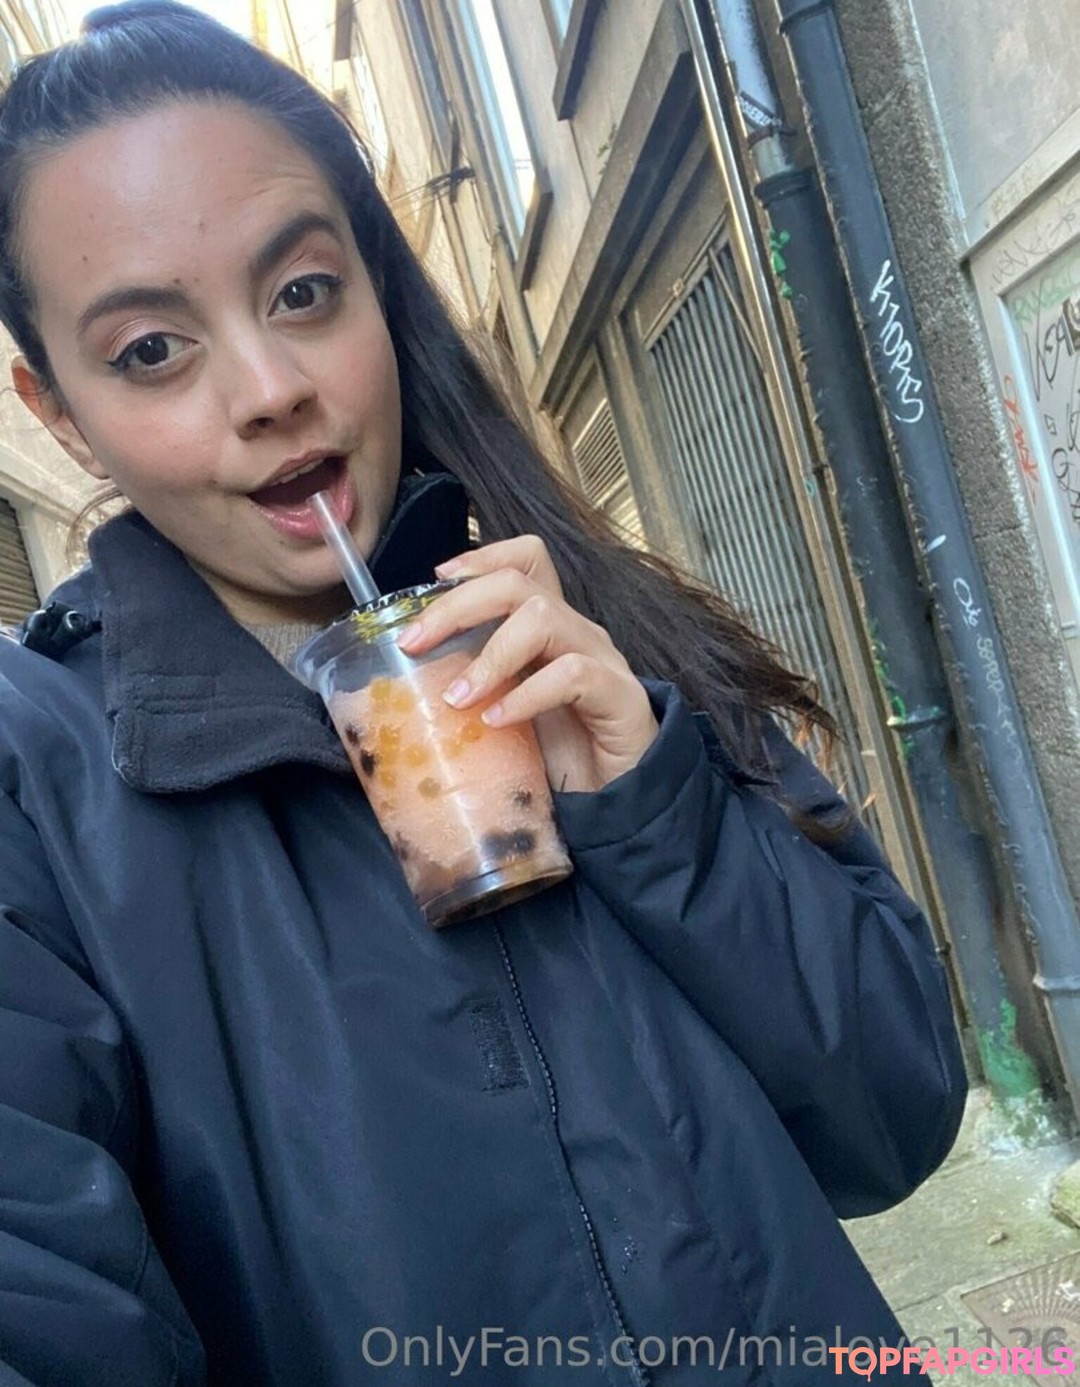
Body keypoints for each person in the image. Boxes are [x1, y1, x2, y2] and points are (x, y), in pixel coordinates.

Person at [0, 3, 966, 1383]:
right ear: (60, 412)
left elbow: (899, 1114)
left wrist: (659, 816)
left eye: (303, 292)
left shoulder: (573, 630)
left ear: (377, 293)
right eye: (150, 349)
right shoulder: (36, 784)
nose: (271, 389)